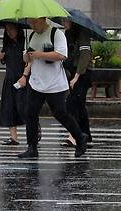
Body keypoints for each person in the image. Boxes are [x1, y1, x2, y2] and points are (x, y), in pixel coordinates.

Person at [17, 17, 88, 159]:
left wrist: (39, 54)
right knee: (30, 114)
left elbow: (62, 55)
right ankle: (32, 147)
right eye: (30, 23)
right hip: (36, 82)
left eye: (35, 22)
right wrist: (26, 56)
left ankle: (80, 138)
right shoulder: (31, 35)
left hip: (55, 84)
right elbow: (28, 60)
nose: (32, 25)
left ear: (43, 19)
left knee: (60, 114)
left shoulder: (56, 34)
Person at [61, 18, 93, 148]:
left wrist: (77, 76)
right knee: (79, 105)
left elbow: (85, 56)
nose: (63, 24)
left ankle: (74, 135)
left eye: (65, 21)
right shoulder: (68, 34)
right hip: (72, 72)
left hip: (82, 73)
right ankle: (85, 134)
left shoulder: (83, 34)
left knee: (73, 104)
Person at [0, 23, 26, 145]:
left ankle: (34, 130)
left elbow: (28, 62)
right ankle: (13, 137)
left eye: (11, 29)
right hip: (10, 78)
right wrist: (1, 58)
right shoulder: (7, 44)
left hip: (22, 79)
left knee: (23, 107)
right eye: (7, 30)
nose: (9, 32)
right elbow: (5, 59)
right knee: (9, 107)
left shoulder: (24, 43)